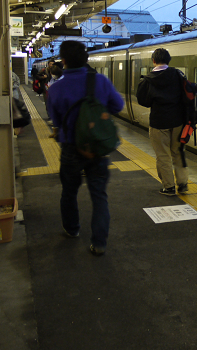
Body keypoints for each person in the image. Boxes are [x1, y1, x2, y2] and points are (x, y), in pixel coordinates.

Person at [48, 41, 124, 256]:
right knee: (99, 195)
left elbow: (56, 120)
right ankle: (99, 243)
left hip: (70, 148)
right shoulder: (100, 81)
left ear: (63, 61)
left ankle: (72, 229)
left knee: (69, 191)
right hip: (98, 148)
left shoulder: (56, 88)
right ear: (86, 59)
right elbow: (118, 106)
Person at [136, 48, 188, 196]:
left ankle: (169, 187)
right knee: (178, 152)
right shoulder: (178, 75)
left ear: (153, 61)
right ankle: (183, 184)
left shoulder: (149, 80)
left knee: (163, 155)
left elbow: (143, 101)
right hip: (178, 121)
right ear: (169, 60)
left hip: (159, 122)